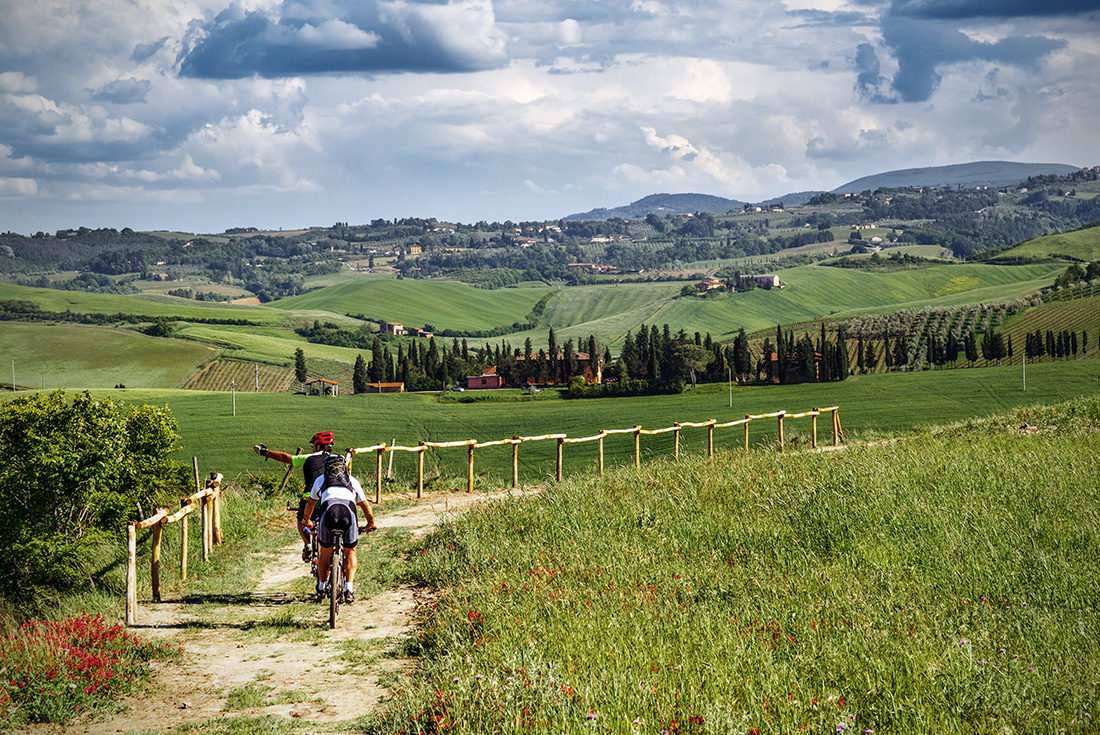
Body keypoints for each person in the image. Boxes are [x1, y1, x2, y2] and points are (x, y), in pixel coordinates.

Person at [302, 453, 376, 604]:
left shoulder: (320, 480)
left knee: (325, 552)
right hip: (348, 513)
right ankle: (349, 589)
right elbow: (365, 505)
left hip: (328, 512)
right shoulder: (352, 481)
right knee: (350, 551)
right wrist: (371, 523)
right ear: (345, 467)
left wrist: (306, 520)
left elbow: (310, 503)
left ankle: (322, 587)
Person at [253, 431, 335, 561]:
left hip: (310, 497)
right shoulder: (336, 459)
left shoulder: (308, 458)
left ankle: (307, 543)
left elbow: (286, 458)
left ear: (318, 447)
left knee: (301, 519)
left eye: (313, 445)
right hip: (330, 496)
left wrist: (266, 452)